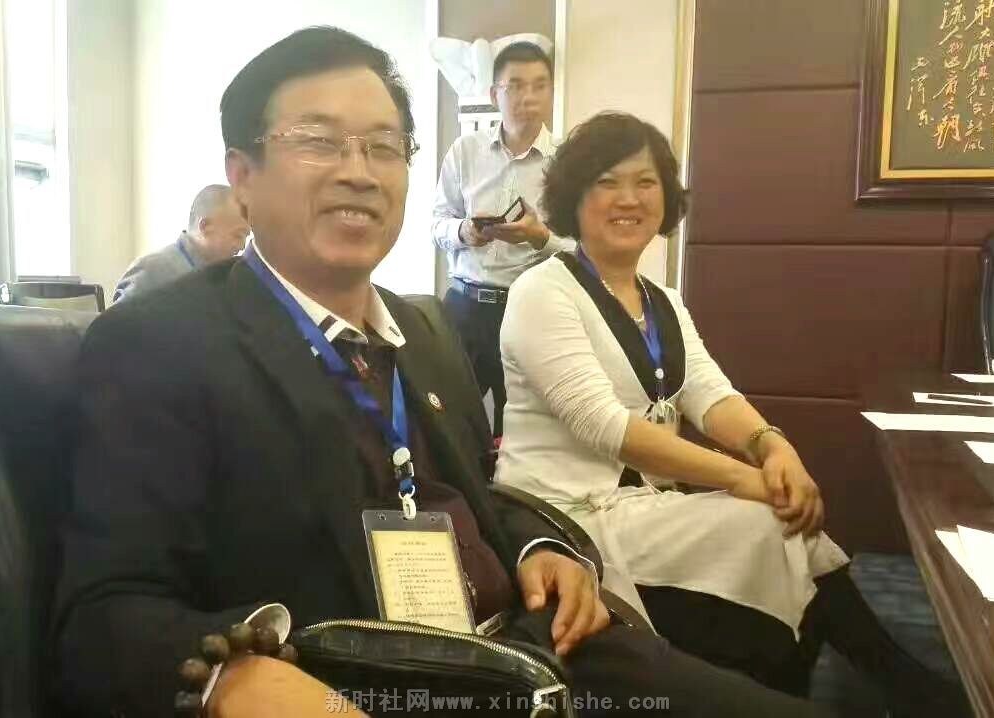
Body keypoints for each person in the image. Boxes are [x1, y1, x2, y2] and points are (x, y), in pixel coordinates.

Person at [53, 27, 840, 718]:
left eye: (384, 146)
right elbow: (101, 616)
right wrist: (230, 678)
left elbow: (479, 494)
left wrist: (539, 550)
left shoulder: (425, 330)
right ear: (243, 173)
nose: (359, 172)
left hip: (536, 654)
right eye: (319, 141)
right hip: (370, 686)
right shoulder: (161, 343)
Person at [495, 112, 969, 717]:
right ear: (574, 196)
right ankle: (892, 685)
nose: (628, 199)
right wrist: (744, 478)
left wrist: (774, 448)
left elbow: (710, 394)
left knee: (781, 526)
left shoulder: (661, 300)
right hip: (566, 518)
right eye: (607, 182)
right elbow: (604, 425)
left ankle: (864, 685)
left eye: (645, 182)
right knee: (770, 523)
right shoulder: (543, 291)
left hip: (643, 506)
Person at [431, 41, 574, 436]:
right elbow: (437, 224)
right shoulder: (465, 150)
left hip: (530, 308)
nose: (529, 97)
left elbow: (584, 249)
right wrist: (464, 231)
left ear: (551, 92)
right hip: (465, 307)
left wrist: (540, 237)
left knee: (519, 430)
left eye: (540, 85)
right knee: (448, 423)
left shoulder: (568, 160)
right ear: (495, 94)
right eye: (516, 86)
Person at [113, 184, 250, 302]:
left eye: (246, 236)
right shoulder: (151, 272)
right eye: (238, 235)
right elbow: (119, 324)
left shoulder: (228, 278)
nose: (242, 246)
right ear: (206, 227)